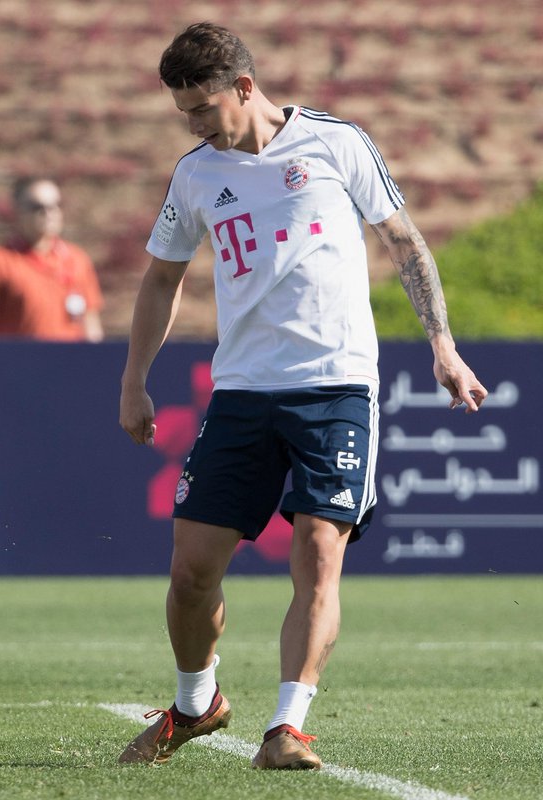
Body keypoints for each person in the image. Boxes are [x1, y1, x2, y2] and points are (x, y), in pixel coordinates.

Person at [117, 23, 486, 769]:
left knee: (320, 551)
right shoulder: (195, 175)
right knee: (191, 573)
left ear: (245, 89)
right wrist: (134, 380)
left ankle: (288, 725)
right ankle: (197, 705)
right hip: (244, 391)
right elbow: (163, 277)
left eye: (201, 107)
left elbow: (405, 242)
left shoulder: (336, 143)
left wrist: (442, 344)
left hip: (337, 386)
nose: (191, 124)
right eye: (181, 111)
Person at [0, 176, 105, 342]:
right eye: (38, 207)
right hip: (18, 363)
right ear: (18, 211)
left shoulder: (78, 259)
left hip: (70, 363)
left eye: (55, 206)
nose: (48, 213)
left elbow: (91, 324)